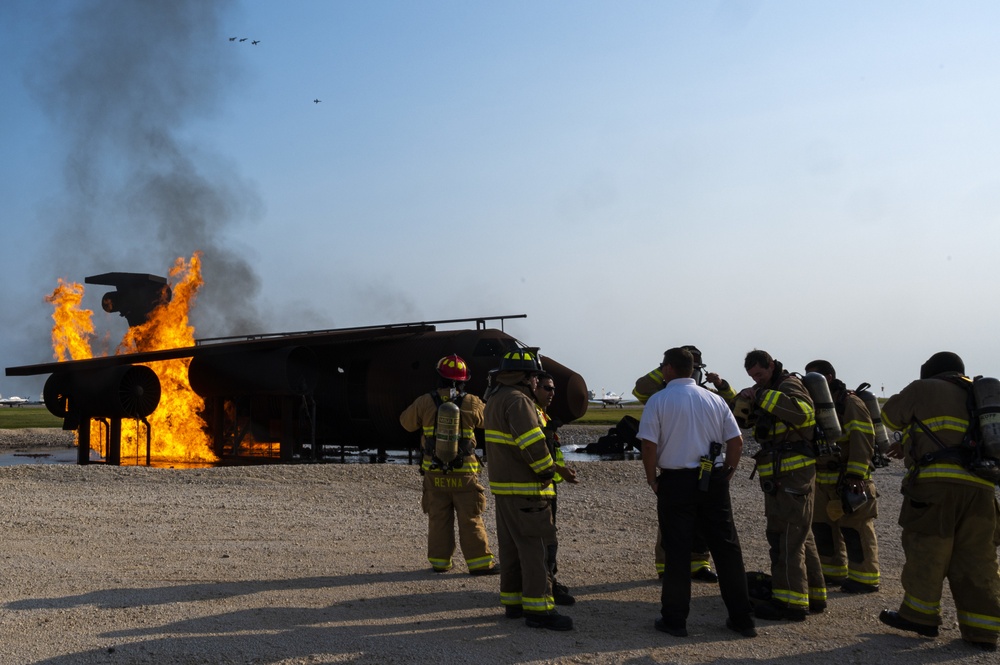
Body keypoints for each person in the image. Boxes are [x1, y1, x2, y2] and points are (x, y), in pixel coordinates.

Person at [878, 352, 1000, 653]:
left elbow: (889, 415)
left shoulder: (925, 388)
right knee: (978, 559)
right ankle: (983, 630)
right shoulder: (978, 395)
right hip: (982, 488)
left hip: (937, 487)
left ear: (930, 372)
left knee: (928, 549)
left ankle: (919, 616)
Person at [638, 347, 756, 639]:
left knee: (676, 551)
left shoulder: (658, 400)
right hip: (713, 479)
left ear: (667, 369)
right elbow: (737, 441)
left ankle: (675, 620)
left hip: (676, 481)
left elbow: (649, 446)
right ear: (692, 369)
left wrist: (652, 479)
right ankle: (743, 619)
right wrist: (728, 471)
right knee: (727, 550)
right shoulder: (715, 399)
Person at [484, 349, 578, 631]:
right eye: (536, 377)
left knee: (511, 548)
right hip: (526, 490)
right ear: (525, 378)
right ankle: (540, 610)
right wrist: (550, 472)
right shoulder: (519, 401)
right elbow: (533, 446)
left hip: (505, 490)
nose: (538, 383)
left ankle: (513, 603)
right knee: (535, 548)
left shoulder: (496, 398)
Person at [738, 349, 826, 621]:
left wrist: (762, 395)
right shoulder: (770, 389)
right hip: (779, 476)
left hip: (792, 476)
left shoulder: (788, 384)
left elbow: (803, 414)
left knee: (785, 538)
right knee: (801, 535)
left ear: (772, 365)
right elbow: (746, 423)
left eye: (760, 374)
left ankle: (790, 604)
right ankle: (813, 595)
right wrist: (743, 398)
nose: (757, 379)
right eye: (753, 376)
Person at [634, 345, 734, 582]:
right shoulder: (661, 392)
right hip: (677, 467)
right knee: (671, 524)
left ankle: (699, 564)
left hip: (705, 467)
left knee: (701, 521)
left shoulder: (709, 395)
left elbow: (735, 404)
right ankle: (667, 566)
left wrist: (722, 384)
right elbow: (639, 389)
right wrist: (664, 370)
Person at [399, 354, 498, 575]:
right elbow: (490, 421)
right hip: (465, 475)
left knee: (438, 519)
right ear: (464, 380)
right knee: (471, 518)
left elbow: (406, 423)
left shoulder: (425, 401)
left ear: (439, 377)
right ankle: (480, 564)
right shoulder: (471, 402)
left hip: (435, 473)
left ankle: (440, 562)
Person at [803, 360, 880, 594]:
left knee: (855, 529)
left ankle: (866, 577)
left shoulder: (851, 402)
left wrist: (856, 474)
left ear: (829, 377)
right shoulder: (816, 404)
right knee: (823, 528)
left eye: (814, 377)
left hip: (849, 478)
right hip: (823, 478)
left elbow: (863, 437)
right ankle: (833, 572)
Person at [531, 371, 575, 606]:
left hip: (550, 485)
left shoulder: (542, 415)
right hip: (541, 485)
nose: (552, 393)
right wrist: (560, 471)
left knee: (550, 536)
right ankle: (548, 585)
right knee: (545, 538)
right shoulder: (531, 414)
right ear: (534, 387)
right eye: (547, 388)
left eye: (553, 389)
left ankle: (550, 579)